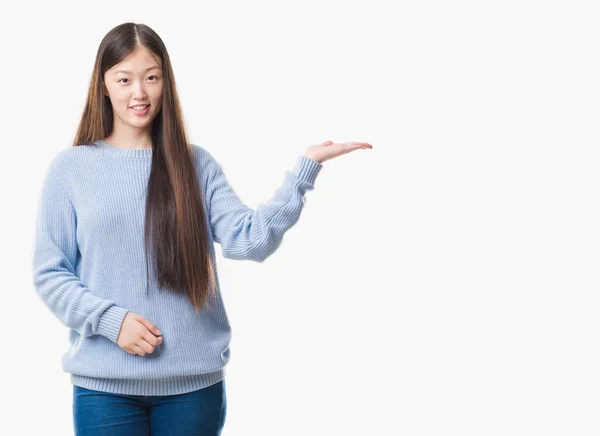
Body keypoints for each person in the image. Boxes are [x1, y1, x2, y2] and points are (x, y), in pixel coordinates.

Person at [31, 22, 372, 436]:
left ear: (165, 82)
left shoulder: (196, 165)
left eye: (151, 78)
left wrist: (305, 170)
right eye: (124, 80)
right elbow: (51, 273)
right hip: (104, 390)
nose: (139, 93)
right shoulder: (71, 169)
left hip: (193, 391)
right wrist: (110, 321)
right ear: (104, 86)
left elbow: (251, 240)